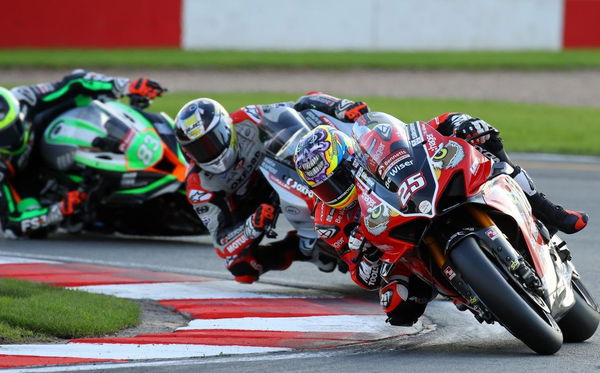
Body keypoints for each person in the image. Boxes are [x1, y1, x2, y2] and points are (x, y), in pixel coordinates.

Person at [293, 110, 589, 326]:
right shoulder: (327, 219)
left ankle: (549, 212)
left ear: (350, 158)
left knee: (490, 150)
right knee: (399, 308)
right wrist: (368, 255)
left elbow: (419, 133)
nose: (333, 190)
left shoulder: (374, 148)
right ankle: (468, 291)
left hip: (424, 200)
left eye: (337, 178)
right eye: (323, 186)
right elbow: (361, 277)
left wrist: (458, 123)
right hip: (400, 251)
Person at [174, 93, 368, 283]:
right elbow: (222, 244)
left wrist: (338, 107)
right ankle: (304, 248)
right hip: (254, 206)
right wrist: (251, 226)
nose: (209, 151)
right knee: (241, 267)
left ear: (226, 128)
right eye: (198, 149)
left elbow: (300, 104)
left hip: (283, 167)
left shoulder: (248, 117)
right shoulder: (198, 186)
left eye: (212, 141)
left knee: (313, 113)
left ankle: (363, 154)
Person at [0, 70, 165, 238]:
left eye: (10, 129)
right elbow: (11, 224)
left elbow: (76, 81)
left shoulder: (23, 98)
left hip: (58, 127)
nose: (9, 139)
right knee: (31, 215)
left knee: (85, 98)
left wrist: (126, 86)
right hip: (25, 176)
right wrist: (56, 211)